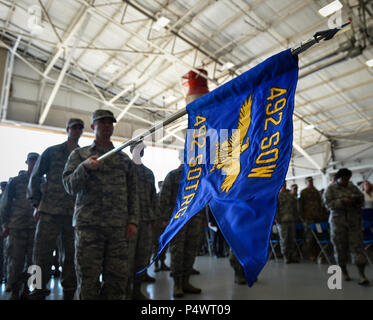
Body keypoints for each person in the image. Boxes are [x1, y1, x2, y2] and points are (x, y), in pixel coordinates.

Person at [62, 109, 139, 300]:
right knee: (88, 282)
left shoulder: (123, 159)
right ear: (93, 126)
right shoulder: (79, 156)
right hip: (89, 228)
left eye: (109, 123)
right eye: (102, 122)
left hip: (117, 229)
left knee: (116, 282)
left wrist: (132, 221)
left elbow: (133, 192)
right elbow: (69, 186)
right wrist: (84, 167)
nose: (106, 125)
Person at [27, 118, 84, 300]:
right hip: (49, 212)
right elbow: (35, 177)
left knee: (71, 256)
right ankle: (37, 290)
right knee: (41, 253)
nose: (76, 131)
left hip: (72, 214)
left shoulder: (82, 155)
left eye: (79, 128)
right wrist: (36, 203)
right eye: (73, 127)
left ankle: (69, 291)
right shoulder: (52, 152)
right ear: (67, 129)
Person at [160, 152, 202, 298]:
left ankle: (186, 282)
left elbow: (200, 200)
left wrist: (201, 218)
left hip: (194, 219)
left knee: (191, 251)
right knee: (178, 251)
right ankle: (177, 284)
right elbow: (164, 199)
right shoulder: (172, 176)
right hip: (177, 220)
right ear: (180, 158)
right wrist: (165, 220)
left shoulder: (197, 177)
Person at [0, 152, 39, 299]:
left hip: (36, 228)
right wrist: (4, 225)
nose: (34, 163)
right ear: (27, 162)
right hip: (17, 227)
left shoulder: (43, 182)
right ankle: (15, 290)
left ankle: (32, 290)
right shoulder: (16, 181)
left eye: (36, 160)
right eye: (31, 160)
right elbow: (5, 204)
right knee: (15, 261)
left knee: (35, 262)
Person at [324, 168, 369, 285]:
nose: (346, 181)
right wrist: (342, 201)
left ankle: (362, 274)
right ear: (338, 178)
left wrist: (356, 201)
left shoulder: (352, 187)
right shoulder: (331, 189)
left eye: (348, 179)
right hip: (338, 224)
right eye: (344, 179)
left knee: (358, 248)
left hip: (354, 223)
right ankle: (344, 272)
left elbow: (361, 199)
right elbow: (327, 204)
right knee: (340, 249)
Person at [127, 141, 157, 300]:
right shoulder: (124, 169)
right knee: (126, 259)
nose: (140, 151)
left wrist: (154, 219)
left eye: (143, 149)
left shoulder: (148, 173)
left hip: (146, 221)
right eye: (138, 148)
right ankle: (125, 292)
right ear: (131, 150)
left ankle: (136, 290)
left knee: (142, 257)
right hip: (129, 222)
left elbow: (153, 198)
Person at [299, 176, 324, 261]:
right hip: (308, 218)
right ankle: (311, 254)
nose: (311, 183)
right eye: (309, 181)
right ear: (306, 183)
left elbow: (320, 205)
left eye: (311, 181)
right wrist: (302, 217)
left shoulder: (317, 192)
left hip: (317, 217)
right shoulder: (303, 192)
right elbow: (300, 206)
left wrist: (321, 215)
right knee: (309, 237)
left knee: (318, 235)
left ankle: (319, 254)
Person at [275, 182, 299, 263]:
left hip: (291, 219)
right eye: (282, 183)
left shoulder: (290, 195)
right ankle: (286, 256)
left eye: (285, 183)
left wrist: (295, 217)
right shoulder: (277, 195)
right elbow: (275, 209)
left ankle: (292, 255)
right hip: (282, 221)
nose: (284, 185)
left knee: (292, 238)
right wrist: (277, 219)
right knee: (284, 239)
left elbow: (295, 206)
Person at [152, 181, 170, 273]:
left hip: (166, 224)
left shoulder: (167, 197)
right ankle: (156, 265)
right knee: (157, 245)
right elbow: (155, 210)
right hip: (158, 224)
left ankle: (163, 263)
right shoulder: (156, 196)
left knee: (164, 244)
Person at [0, 181, 7, 283]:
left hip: (9, 228)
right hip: (2, 228)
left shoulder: (7, 197)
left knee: (8, 254)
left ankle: (5, 275)